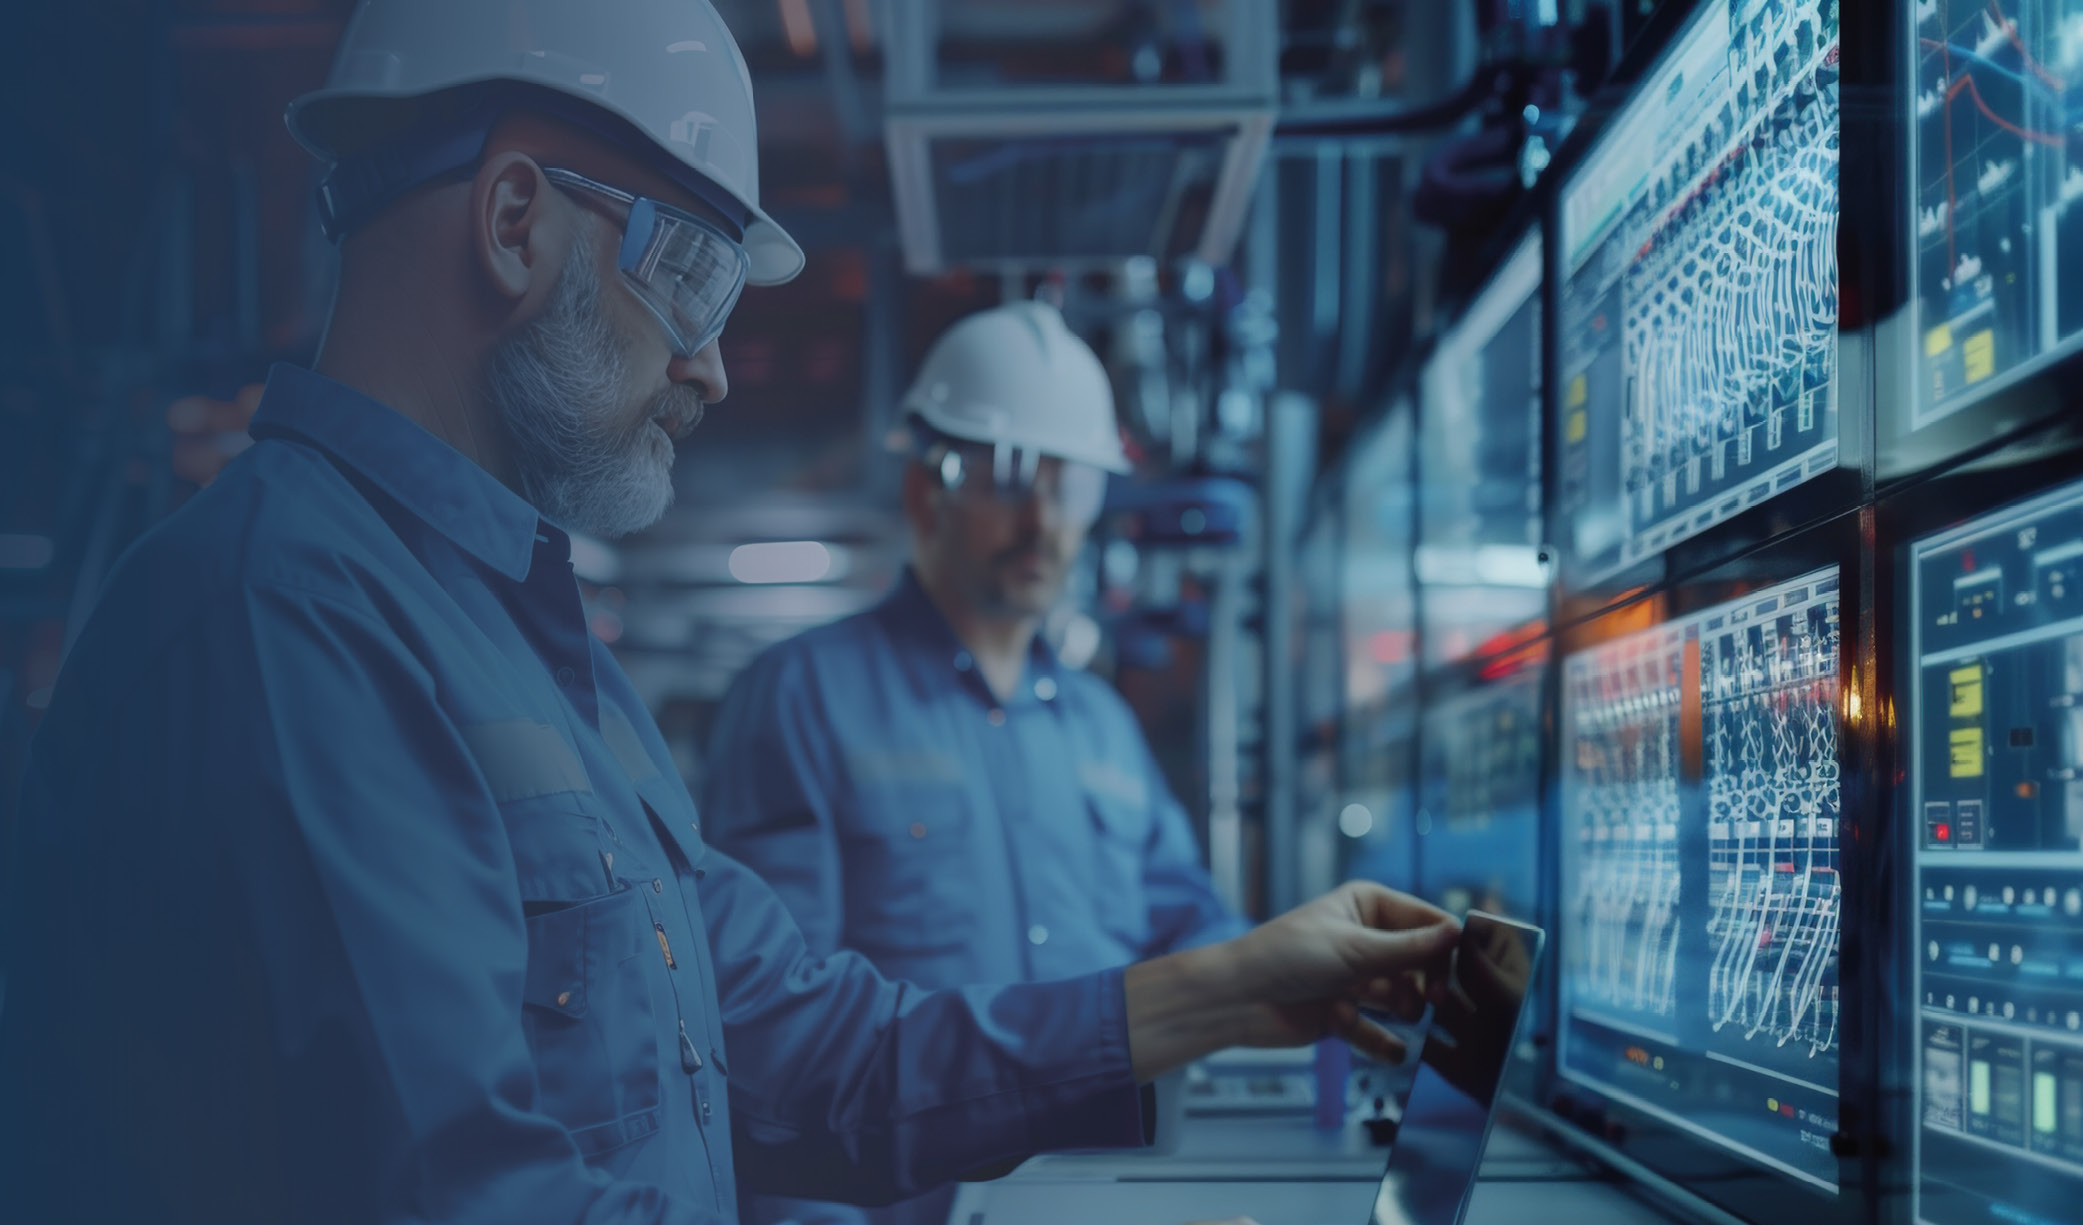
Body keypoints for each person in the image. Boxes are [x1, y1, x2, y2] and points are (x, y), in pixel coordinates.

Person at [0, 4, 1457, 1225]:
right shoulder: (286, 624)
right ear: (513, 219)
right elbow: (471, 1200)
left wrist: (1235, 986)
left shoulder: (543, 663)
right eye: (692, 277)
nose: (709, 371)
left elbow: (832, 1055)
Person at [704, 301, 1246, 1225]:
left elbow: (1195, 918)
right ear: (928, 489)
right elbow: (774, 1047)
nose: (1042, 519)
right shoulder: (801, 698)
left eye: (1068, 485)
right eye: (1007, 479)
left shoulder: (1101, 727)